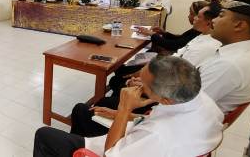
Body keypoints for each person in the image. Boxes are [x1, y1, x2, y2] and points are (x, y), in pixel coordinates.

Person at [70, 1, 223, 138]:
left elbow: (112, 150)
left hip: (153, 96)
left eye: (198, 16)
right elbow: (178, 44)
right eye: (193, 14)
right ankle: (118, 93)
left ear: (210, 22)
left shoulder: (206, 48)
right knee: (120, 77)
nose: (194, 18)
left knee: (103, 93)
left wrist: (125, 107)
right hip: (157, 90)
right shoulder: (200, 37)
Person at [33, 56, 223, 157]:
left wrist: (124, 109)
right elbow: (154, 118)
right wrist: (118, 114)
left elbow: (110, 154)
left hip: (121, 148)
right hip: (139, 139)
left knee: (45, 135)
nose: (137, 83)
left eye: (144, 87)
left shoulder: (158, 135)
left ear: (165, 100)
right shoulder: (203, 100)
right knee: (83, 111)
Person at [197, 0, 250, 113]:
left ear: (239, 25)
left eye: (221, 15)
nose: (213, 20)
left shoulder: (228, 64)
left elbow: (184, 105)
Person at [137, 1, 206, 54]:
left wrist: (151, 34)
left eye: (191, 13)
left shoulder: (198, 33)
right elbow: (180, 38)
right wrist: (164, 33)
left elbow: (172, 45)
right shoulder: (195, 30)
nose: (188, 16)